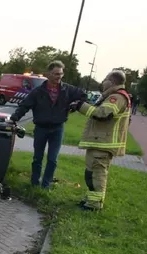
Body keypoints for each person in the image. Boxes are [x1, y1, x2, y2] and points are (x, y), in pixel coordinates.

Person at [8, 60, 87, 189]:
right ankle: (34, 183)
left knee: (52, 159)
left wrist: (75, 105)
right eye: (56, 74)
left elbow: (83, 96)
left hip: (57, 129)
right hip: (41, 129)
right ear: (48, 74)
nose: (59, 77)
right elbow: (24, 106)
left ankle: (46, 185)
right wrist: (14, 118)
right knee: (37, 158)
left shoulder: (68, 90)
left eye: (61, 74)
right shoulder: (38, 92)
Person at [72, 70, 131, 211]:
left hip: (104, 143)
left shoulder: (116, 97)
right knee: (91, 174)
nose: (103, 82)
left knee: (97, 175)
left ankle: (94, 205)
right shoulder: (113, 96)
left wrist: (81, 106)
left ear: (112, 82)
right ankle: (90, 201)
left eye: (105, 79)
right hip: (100, 142)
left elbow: (103, 114)